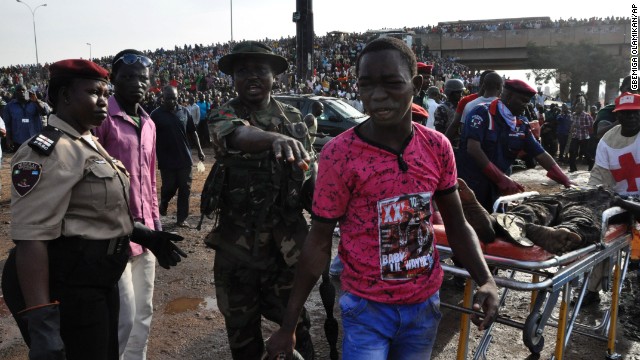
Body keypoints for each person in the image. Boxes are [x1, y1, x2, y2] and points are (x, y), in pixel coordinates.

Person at [266, 37, 499, 360]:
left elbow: (457, 225)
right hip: (367, 311)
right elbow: (319, 241)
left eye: (391, 83)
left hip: (423, 308)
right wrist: (288, 324)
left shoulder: (437, 147)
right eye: (366, 85)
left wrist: (485, 279)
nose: (377, 96)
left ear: (415, 85)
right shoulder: (339, 154)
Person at [0, 59, 185, 360]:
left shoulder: (88, 142)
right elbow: (31, 239)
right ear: (65, 96)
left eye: (105, 92)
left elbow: (93, 214)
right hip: (67, 286)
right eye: (94, 92)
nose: (103, 100)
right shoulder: (48, 151)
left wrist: (145, 235)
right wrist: (42, 323)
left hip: (96, 280)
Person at [205, 40, 316, 360]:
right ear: (233, 79)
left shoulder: (295, 119)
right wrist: (274, 140)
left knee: (297, 329)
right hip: (237, 249)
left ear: (274, 77)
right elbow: (237, 134)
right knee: (242, 333)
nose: (251, 77)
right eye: (243, 71)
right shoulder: (224, 113)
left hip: (285, 250)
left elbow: (310, 178)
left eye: (260, 70)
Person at [93, 49, 160, 360]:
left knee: (144, 312)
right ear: (114, 80)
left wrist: (156, 229)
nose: (137, 83)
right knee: (124, 315)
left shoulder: (149, 122)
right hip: (114, 234)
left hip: (145, 236)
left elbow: (150, 182)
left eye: (142, 78)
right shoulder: (104, 118)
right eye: (128, 77)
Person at [456, 79, 572, 212]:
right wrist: (501, 179)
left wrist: (565, 180)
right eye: (523, 100)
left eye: (528, 101)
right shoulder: (482, 114)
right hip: (472, 184)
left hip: (499, 188)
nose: (526, 105)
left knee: (497, 223)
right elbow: (473, 149)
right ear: (509, 97)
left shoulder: (520, 124)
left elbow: (540, 153)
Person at [585, 92, 640, 304]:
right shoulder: (608, 141)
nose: (632, 118)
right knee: (600, 235)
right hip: (619, 201)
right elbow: (599, 177)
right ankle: (592, 289)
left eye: (635, 113)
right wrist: (599, 198)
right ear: (618, 116)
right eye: (626, 114)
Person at [151, 86, 205, 228]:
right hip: (166, 158)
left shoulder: (185, 112)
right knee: (169, 187)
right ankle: (164, 201)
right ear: (163, 98)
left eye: (174, 98)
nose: (172, 101)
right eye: (168, 98)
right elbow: (149, 136)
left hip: (185, 157)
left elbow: (193, 133)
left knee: (185, 188)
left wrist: (199, 150)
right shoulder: (155, 115)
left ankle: (182, 218)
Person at [2, 84, 50, 151]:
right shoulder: (9, 106)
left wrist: (36, 101)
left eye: (23, 90)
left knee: (35, 160)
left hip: (35, 139)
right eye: (18, 90)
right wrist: (8, 139)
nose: (21, 91)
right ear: (15, 93)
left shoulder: (35, 102)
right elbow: (7, 125)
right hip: (18, 141)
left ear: (27, 91)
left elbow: (45, 112)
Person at [568, 102, 594, 172]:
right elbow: (572, 123)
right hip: (575, 136)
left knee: (584, 152)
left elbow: (590, 126)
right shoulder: (573, 115)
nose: (577, 109)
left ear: (582, 108)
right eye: (576, 107)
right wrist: (571, 128)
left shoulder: (586, 115)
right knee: (571, 151)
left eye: (579, 108)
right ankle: (572, 168)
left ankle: (591, 162)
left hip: (584, 137)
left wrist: (580, 126)